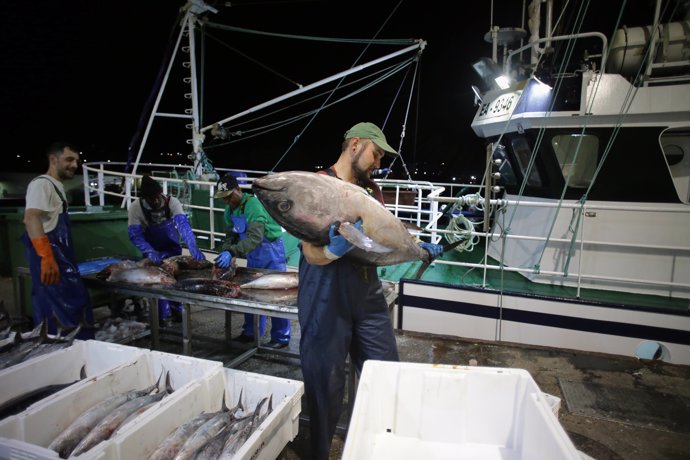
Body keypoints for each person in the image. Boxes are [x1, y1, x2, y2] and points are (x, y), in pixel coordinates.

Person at [297, 122, 443, 459]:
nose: (378, 161)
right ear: (355, 145)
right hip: (324, 294)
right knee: (325, 386)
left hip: (366, 291)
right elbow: (309, 252)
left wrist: (417, 245)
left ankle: (379, 447)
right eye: (375, 153)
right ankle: (320, 453)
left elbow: (385, 235)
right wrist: (333, 250)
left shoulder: (372, 192)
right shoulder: (318, 185)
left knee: (386, 373)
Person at [22, 141, 94, 339]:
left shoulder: (57, 187)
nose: (74, 165)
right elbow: (31, 217)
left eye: (76, 161)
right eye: (69, 159)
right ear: (53, 159)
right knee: (58, 320)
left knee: (75, 313)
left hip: (63, 264)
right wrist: (46, 256)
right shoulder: (41, 184)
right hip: (52, 265)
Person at [213, 174, 290, 348]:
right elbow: (230, 235)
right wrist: (226, 250)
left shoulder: (253, 205)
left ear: (238, 190)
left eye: (229, 196)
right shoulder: (230, 211)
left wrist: (233, 251)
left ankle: (281, 338)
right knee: (251, 296)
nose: (227, 201)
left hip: (270, 253)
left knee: (276, 297)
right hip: (253, 255)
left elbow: (256, 237)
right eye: (223, 198)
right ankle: (251, 332)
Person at [127, 175, 206, 325]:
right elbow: (135, 234)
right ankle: (160, 317)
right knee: (156, 283)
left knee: (175, 280)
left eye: (157, 196)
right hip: (152, 250)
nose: (155, 200)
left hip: (171, 248)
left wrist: (192, 246)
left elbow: (183, 226)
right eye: (151, 198)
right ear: (144, 198)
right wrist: (149, 251)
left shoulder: (172, 202)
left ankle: (178, 311)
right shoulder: (136, 208)